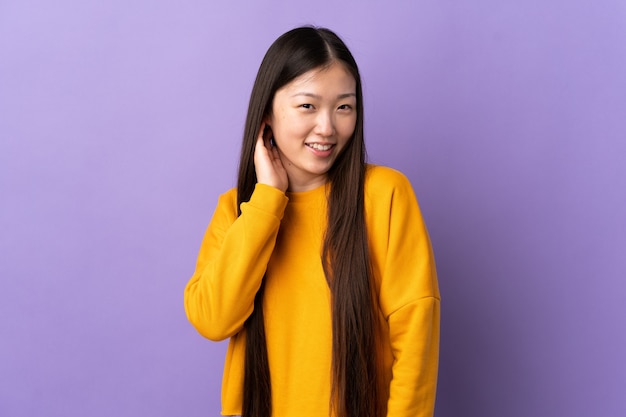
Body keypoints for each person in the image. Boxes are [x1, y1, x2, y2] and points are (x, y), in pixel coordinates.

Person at [184, 26, 440, 417]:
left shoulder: (384, 194)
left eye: (344, 107)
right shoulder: (238, 210)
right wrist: (268, 200)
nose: (327, 127)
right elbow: (212, 319)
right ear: (267, 111)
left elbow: (416, 334)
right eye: (308, 106)